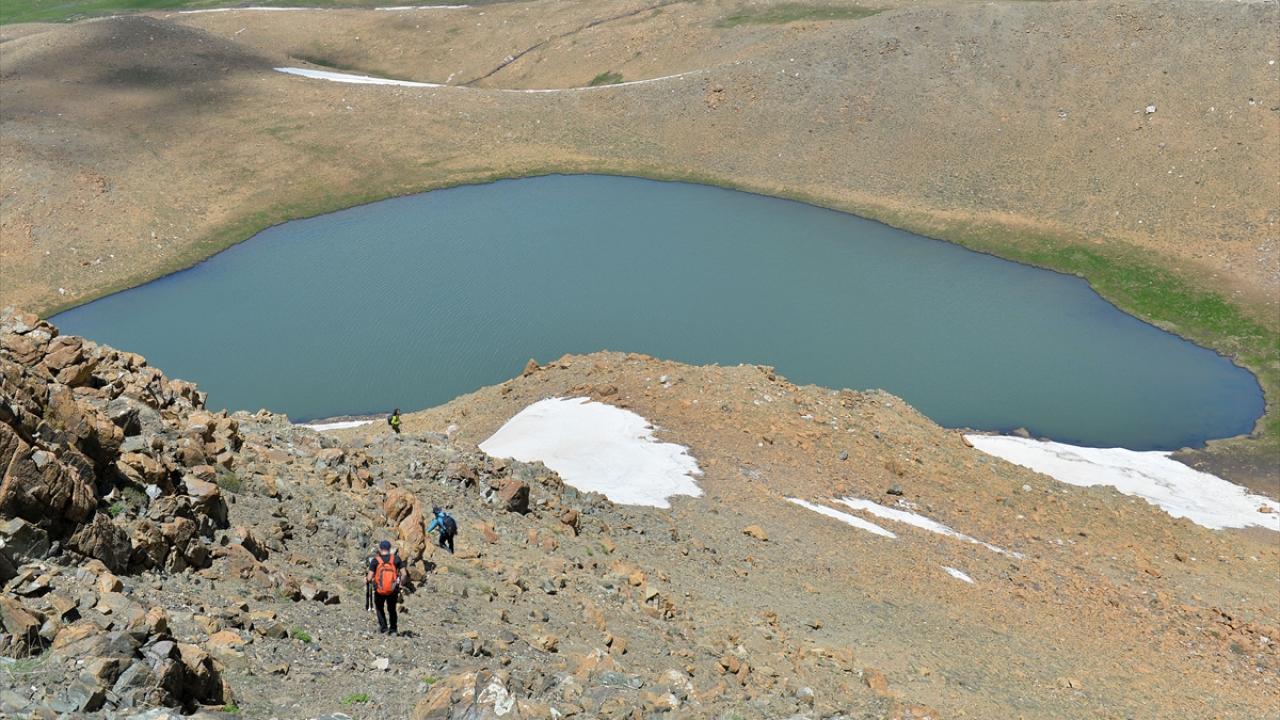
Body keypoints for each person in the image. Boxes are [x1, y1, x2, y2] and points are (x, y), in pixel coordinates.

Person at [365, 540, 405, 635]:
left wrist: (366, 579)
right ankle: (393, 629)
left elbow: (369, 578)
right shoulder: (396, 559)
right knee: (392, 609)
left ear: (380, 549)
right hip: (393, 588)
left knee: (379, 608)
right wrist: (401, 584)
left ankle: (384, 628)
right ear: (389, 548)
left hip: (379, 590)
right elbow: (404, 574)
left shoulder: (376, 560)